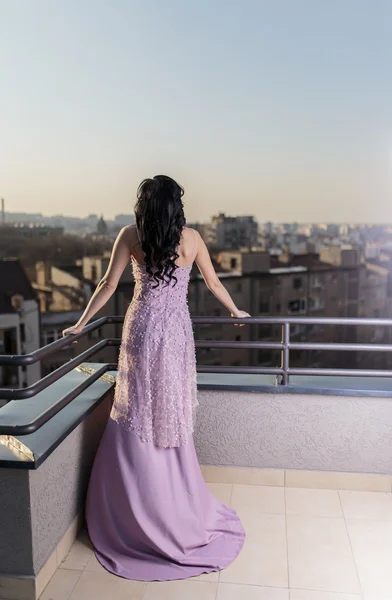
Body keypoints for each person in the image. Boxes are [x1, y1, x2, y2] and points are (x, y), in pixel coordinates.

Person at [62, 175, 250, 581]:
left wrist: (80, 324)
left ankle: (135, 510)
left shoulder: (131, 234)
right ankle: (173, 501)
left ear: (144, 206)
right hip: (176, 331)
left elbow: (108, 284)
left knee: (136, 408)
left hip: (143, 328)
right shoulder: (194, 239)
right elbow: (214, 282)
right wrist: (235, 311)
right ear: (176, 206)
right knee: (170, 407)